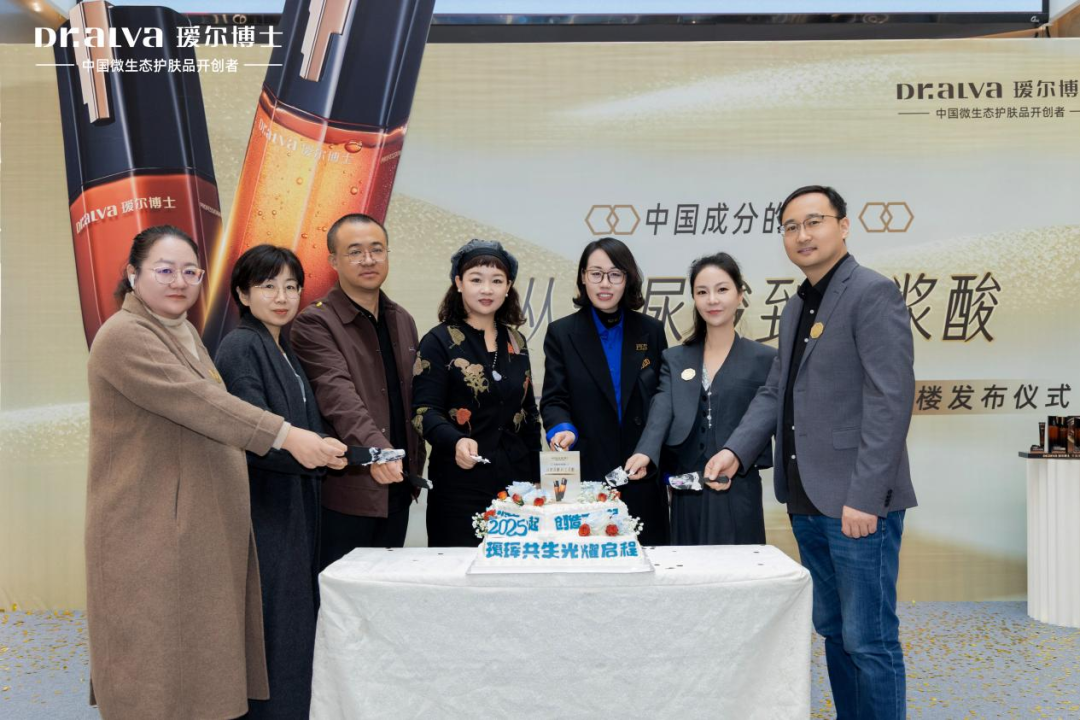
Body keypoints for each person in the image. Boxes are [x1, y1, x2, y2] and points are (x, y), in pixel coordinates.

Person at [85, 226, 344, 720]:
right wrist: (286, 435)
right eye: (164, 270)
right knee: (151, 663)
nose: (179, 281)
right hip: (147, 526)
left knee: (195, 661)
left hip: (192, 524)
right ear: (133, 274)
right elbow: (201, 403)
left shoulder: (181, 332)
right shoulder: (124, 335)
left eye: (190, 271)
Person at [709, 186, 917, 719]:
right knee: (834, 631)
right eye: (790, 226)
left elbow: (890, 401)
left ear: (843, 226)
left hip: (856, 503)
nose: (802, 235)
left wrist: (866, 497)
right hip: (806, 499)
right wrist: (735, 451)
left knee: (869, 639)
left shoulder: (872, 293)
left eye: (814, 221)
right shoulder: (797, 304)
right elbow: (775, 392)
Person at [214, 245, 347, 719]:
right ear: (242, 295)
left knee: (293, 623)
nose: (282, 297)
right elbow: (252, 432)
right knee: (275, 626)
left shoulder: (282, 347)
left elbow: (303, 427)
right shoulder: (240, 347)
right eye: (268, 286)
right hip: (264, 511)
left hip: (295, 504)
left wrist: (331, 448)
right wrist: (313, 452)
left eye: (291, 287)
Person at [291, 214, 426, 567]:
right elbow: (338, 398)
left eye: (376, 250)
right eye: (354, 252)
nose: (368, 260)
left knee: (388, 590)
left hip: (398, 486)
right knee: (342, 595)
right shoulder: (315, 323)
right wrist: (379, 452)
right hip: (349, 492)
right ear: (334, 261)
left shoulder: (402, 318)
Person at [625, 253, 775, 545]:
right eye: (702, 292)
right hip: (687, 489)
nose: (712, 300)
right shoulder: (676, 358)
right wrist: (646, 452)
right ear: (694, 298)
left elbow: (768, 417)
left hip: (737, 487)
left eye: (722, 289)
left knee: (739, 568)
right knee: (688, 567)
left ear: (740, 294)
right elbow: (662, 407)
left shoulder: (765, 359)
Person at [412, 239, 541, 547]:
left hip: (516, 485)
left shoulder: (517, 341)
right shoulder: (438, 341)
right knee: (459, 569)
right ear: (458, 283)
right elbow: (423, 412)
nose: (487, 289)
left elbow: (528, 413)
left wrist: (538, 476)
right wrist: (455, 441)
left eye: (497, 281)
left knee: (515, 568)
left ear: (508, 287)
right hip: (459, 483)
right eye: (476, 280)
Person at [541, 237, 669, 545]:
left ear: (628, 279)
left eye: (615, 274)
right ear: (583, 277)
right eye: (596, 273)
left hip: (640, 471)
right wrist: (562, 429)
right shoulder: (562, 333)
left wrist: (651, 451)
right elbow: (554, 398)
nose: (605, 283)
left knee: (648, 559)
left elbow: (663, 399)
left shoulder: (651, 330)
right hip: (589, 473)